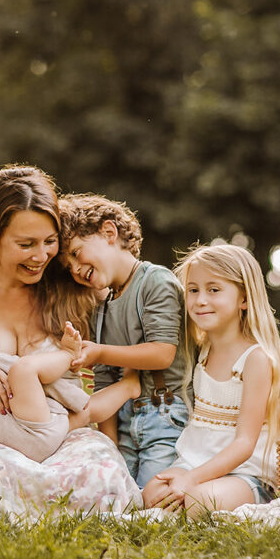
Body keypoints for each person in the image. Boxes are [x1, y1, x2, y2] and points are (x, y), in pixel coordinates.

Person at [0, 165, 141, 517]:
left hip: (62, 433)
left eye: (49, 242)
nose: (41, 256)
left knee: (99, 466)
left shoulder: (72, 287)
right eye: (26, 244)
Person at [142, 244, 280, 516]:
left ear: (244, 299)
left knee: (196, 502)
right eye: (193, 290)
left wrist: (191, 480)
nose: (200, 300)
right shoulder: (201, 352)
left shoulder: (255, 359)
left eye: (213, 290)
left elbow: (243, 445)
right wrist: (188, 475)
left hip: (245, 474)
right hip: (195, 463)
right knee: (150, 493)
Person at [58, 194, 190, 488]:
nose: (77, 269)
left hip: (165, 415)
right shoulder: (101, 309)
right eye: (69, 268)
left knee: (149, 496)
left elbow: (162, 353)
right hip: (125, 423)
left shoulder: (155, 281)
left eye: (77, 253)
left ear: (109, 232)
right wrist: (111, 448)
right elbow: (104, 382)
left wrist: (100, 352)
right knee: (118, 492)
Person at [0, 309, 139, 462]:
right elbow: (40, 381)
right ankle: (74, 358)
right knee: (24, 367)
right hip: (32, 429)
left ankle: (129, 386)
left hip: (24, 446)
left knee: (85, 412)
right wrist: (74, 398)